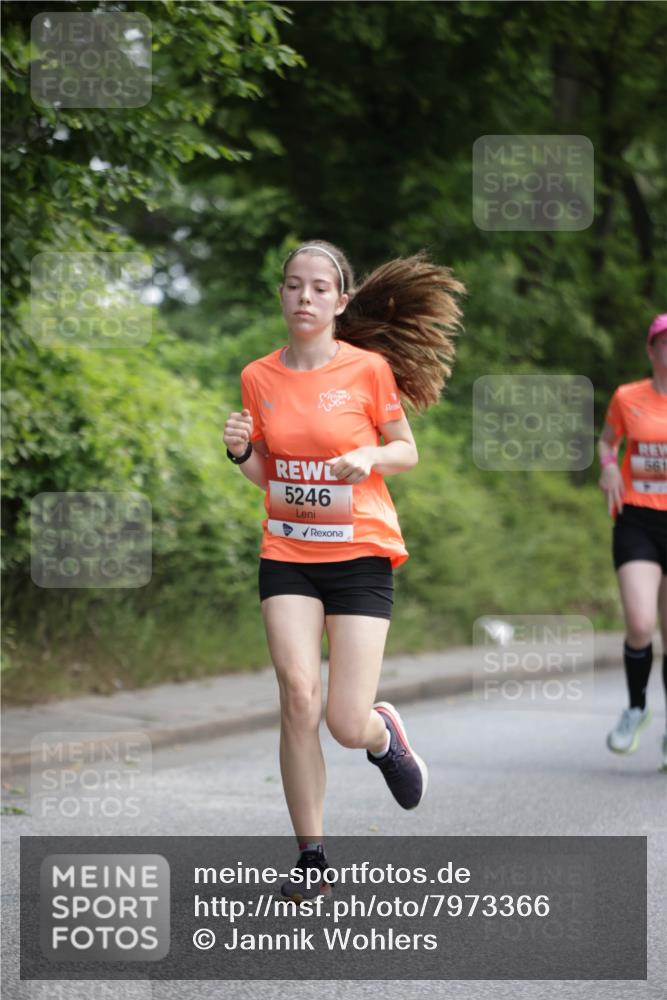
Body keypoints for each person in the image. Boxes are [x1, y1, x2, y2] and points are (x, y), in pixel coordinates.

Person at [223, 240, 464, 902]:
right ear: (281, 295)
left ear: (340, 300)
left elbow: (405, 451)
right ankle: (311, 857)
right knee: (297, 696)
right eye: (293, 286)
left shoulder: (367, 371)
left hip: (358, 551)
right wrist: (240, 451)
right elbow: (267, 481)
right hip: (289, 553)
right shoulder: (257, 377)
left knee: (341, 720)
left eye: (319, 287)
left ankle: (383, 735)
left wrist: (370, 457)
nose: (304, 297)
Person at [598, 313, 667, 772]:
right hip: (638, 520)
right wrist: (607, 464)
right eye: (664, 344)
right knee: (641, 624)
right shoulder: (628, 397)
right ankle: (636, 708)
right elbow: (607, 442)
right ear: (651, 350)